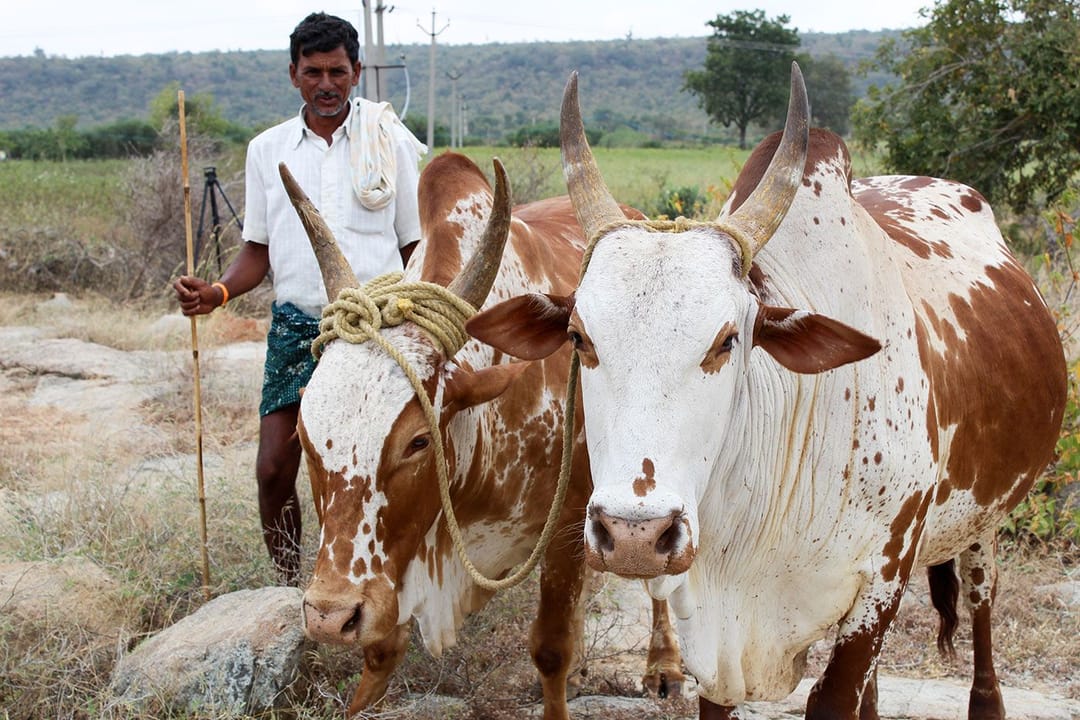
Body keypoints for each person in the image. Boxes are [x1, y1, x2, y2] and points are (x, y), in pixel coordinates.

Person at [174, 11, 426, 586]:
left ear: (357, 72)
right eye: (313, 72)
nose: (326, 84)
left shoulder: (390, 142)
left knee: (378, 466)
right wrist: (215, 291)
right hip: (297, 327)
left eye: (337, 71)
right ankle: (289, 592)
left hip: (377, 328)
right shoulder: (268, 151)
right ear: (293, 75)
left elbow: (416, 245)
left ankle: (383, 584)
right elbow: (257, 252)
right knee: (273, 468)